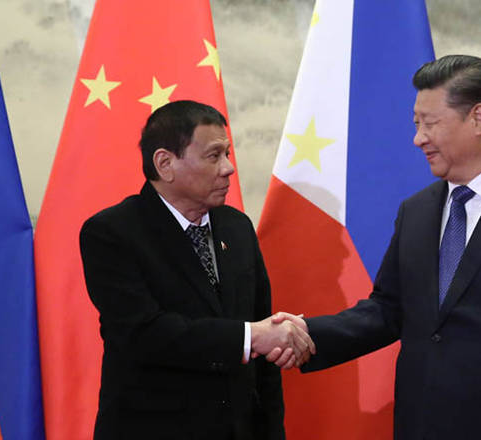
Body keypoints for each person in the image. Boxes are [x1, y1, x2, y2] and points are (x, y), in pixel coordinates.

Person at [283, 55, 481, 439]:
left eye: (430, 123)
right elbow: (388, 310)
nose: (418, 138)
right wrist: (304, 334)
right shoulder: (416, 211)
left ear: (478, 119)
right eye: (416, 124)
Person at [80, 100, 313, 440]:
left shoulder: (237, 227)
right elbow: (144, 334)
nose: (229, 168)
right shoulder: (112, 233)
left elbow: (263, 347)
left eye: (227, 153)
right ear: (165, 163)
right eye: (214, 156)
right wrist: (251, 337)